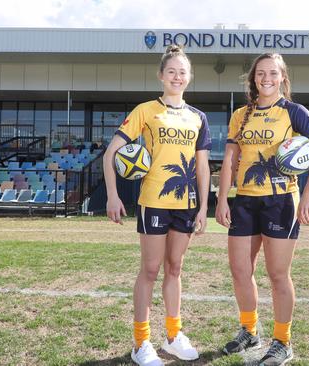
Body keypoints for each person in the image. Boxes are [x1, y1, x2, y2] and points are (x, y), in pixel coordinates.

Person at [215, 53, 309, 365]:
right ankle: (250, 330)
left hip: (281, 201)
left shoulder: (293, 112)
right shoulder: (240, 115)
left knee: (278, 274)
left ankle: (282, 341)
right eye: (260, 74)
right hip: (245, 201)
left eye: (272, 73)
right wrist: (222, 198)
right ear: (253, 79)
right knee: (241, 270)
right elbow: (230, 159)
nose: (266, 79)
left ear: (282, 78)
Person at [103, 44, 211, 366]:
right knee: (150, 270)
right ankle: (141, 343)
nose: (177, 77)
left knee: (175, 268)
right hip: (153, 201)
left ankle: (174, 336)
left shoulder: (198, 118)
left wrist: (204, 206)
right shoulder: (146, 111)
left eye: (183, 72)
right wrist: (112, 194)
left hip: (186, 204)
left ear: (189, 78)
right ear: (161, 75)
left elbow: (203, 166)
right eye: (172, 71)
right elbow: (110, 155)